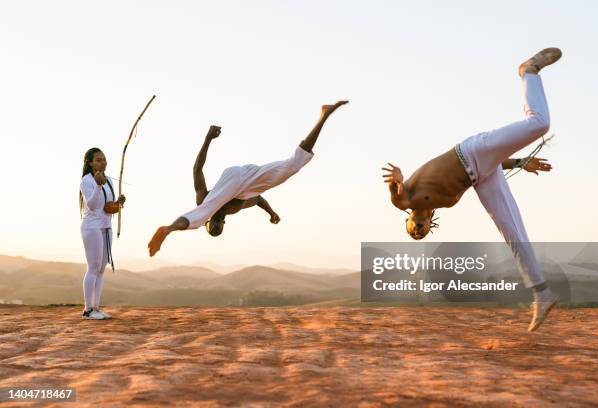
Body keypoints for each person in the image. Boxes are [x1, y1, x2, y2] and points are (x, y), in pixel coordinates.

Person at [382, 48, 562, 331]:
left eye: (412, 231)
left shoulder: (407, 200)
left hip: (472, 152)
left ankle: (528, 71)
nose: (417, 232)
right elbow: (490, 165)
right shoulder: (442, 203)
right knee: (513, 232)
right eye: (422, 234)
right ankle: (542, 294)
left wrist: (396, 178)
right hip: (482, 174)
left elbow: (396, 191)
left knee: (539, 123)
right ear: (430, 225)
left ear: (408, 220)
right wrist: (521, 162)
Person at [148, 100, 348, 256]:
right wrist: (271, 212)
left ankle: (170, 229)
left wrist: (207, 139)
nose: (217, 219)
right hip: (249, 179)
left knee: (199, 215)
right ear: (222, 223)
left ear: (213, 223)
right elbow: (257, 199)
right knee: (293, 165)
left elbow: (197, 170)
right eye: (218, 222)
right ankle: (324, 115)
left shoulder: (209, 202)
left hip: (233, 178)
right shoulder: (234, 207)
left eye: (213, 222)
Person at [79, 147, 126, 320]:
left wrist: (117, 203)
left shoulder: (109, 181)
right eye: (98, 160)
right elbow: (91, 205)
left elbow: (107, 207)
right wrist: (98, 186)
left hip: (106, 227)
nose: (103, 162)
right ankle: (88, 310)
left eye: (104, 159)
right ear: (90, 163)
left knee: (101, 269)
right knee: (93, 267)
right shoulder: (86, 181)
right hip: (91, 227)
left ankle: (96, 307)